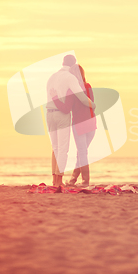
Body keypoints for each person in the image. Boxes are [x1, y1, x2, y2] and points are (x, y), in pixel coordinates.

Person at [46, 55, 95, 187]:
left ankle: (56, 180)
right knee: (64, 149)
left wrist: (55, 98)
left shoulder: (52, 77)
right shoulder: (72, 79)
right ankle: (62, 181)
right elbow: (83, 99)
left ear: (62, 63)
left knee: (56, 148)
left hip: (49, 113)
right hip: (66, 115)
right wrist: (93, 106)